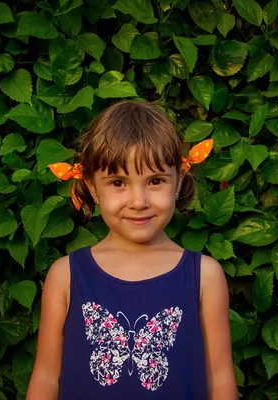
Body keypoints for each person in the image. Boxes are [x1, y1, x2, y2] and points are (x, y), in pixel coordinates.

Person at [26, 100, 237, 399]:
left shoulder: (205, 276)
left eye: (155, 181)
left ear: (179, 180)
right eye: (117, 182)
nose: (138, 201)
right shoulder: (65, 276)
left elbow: (220, 378)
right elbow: (47, 376)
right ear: (92, 187)